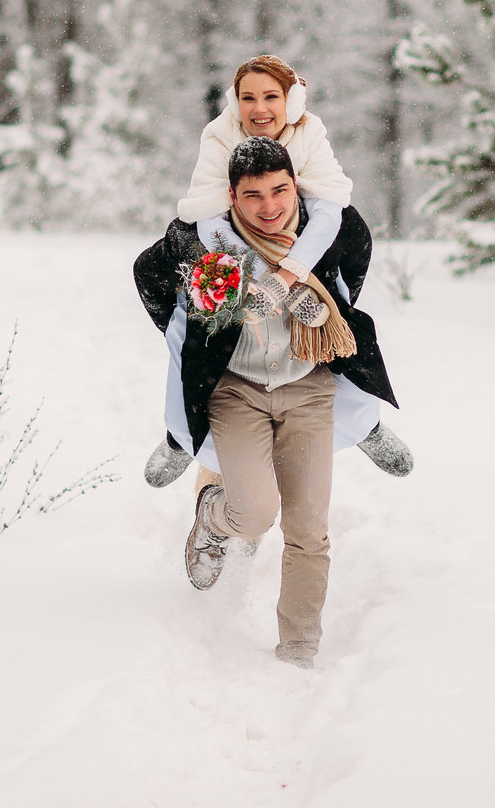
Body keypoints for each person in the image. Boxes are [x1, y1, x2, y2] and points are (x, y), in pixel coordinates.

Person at [132, 137, 398, 667]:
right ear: (232, 195)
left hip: (308, 390)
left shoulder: (322, 239)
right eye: (253, 195)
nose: (269, 206)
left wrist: (319, 308)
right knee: (253, 513)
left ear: (294, 186)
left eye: (280, 190)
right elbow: (149, 275)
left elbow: (354, 277)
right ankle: (213, 516)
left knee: (308, 529)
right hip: (237, 394)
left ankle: (299, 651)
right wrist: (182, 330)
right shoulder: (208, 245)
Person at [142, 54, 411, 487]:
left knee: (342, 318)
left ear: (292, 99)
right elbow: (208, 215)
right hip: (226, 244)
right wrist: (247, 274)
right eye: (248, 97)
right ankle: (181, 437)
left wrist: (292, 275)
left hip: (301, 242)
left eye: (271, 96)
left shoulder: (310, 132)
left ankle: (365, 426)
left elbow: (328, 210)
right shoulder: (219, 135)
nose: (259, 108)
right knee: (187, 326)